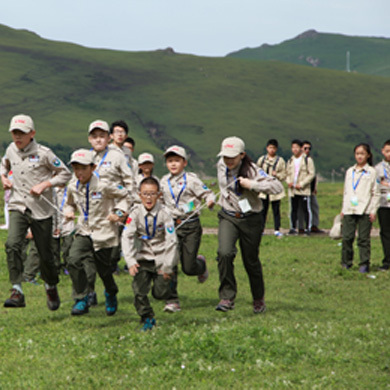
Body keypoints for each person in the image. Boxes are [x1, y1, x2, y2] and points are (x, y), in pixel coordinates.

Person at [1, 114, 71, 309]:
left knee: (45, 254)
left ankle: (50, 285)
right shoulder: (10, 150)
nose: (17, 137)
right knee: (12, 244)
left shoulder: (44, 153)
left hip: (41, 210)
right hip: (18, 205)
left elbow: (65, 173)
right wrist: (3, 177)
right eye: (14, 133)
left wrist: (45, 184)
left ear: (32, 133)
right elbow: (3, 164)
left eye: (21, 133)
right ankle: (17, 290)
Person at [216, 136, 283, 313]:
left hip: (251, 218)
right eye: (225, 156)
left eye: (232, 156)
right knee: (224, 253)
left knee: (250, 260)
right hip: (228, 215)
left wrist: (252, 184)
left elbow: (277, 187)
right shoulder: (221, 166)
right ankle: (227, 297)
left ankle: (258, 299)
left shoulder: (253, 170)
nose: (228, 160)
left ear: (242, 155)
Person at [64, 149, 131, 315]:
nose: (79, 172)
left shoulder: (104, 184)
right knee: (73, 260)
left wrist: (119, 213)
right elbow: (68, 203)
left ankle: (110, 292)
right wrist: (68, 211)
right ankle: (81, 298)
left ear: (93, 167)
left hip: (103, 233)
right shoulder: (72, 185)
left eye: (83, 168)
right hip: (84, 231)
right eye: (75, 168)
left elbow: (126, 195)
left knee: (104, 270)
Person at [160, 145, 215, 312]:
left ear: (184, 162)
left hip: (190, 224)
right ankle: (172, 300)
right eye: (170, 161)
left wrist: (211, 200)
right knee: (170, 262)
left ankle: (200, 264)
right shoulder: (163, 181)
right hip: (171, 226)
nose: (173, 164)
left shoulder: (192, 180)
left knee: (188, 267)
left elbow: (207, 193)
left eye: (176, 160)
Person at [122, 177, 178, 331]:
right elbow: (126, 237)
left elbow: (172, 241)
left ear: (159, 195)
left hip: (161, 257)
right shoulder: (134, 213)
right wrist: (130, 261)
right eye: (145, 194)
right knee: (139, 291)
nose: (148, 197)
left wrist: (167, 267)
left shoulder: (165, 213)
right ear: (139, 195)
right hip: (143, 257)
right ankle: (147, 318)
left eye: (152, 194)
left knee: (160, 294)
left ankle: (170, 279)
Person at [88, 120, 134, 303]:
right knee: (87, 255)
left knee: (108, 260)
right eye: (94, 136)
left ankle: (109, 289)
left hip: (114, 215)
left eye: (102, 136)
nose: (98, 140)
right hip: (92, 215)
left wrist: (122, 211)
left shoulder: (118, 157)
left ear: (108, 138)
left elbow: (130, 184)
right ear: (89, 139)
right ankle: (88, 294)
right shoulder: (85, 158)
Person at [341, 143, 379, 273]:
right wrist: (343, 209)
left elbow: (375, 193)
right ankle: (346, 262)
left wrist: (373, 210)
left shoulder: (372, 172)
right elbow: (346, 191)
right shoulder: (350, 171)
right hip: (350, 208)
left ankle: (364, 263)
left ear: (368, 155)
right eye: (357, 154)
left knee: (363, 239)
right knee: (347, 237)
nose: (359, 156)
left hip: (365, 209)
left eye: (362, 154)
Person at [256, 139, 286, 237]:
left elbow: (284, 174)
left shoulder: (280, 161)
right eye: (270, 148)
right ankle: (261, 229)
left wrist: (277, 174)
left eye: (273, 148)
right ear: (267, 148)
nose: (271, 150)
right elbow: (256, 171)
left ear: (276, 149)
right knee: (262, 210)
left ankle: (277, 229)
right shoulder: (262, 160)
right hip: (263, 189)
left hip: (274, 189)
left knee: (276, 210)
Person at [285, 139, 315, 235]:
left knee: (306, 209)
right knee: (293, 209)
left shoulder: (307, 160)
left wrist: (302, 184)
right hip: (292, 189)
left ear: (300, 148)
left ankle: (307, 228)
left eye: (297, 147)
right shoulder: (290, 160)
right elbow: (286, 174)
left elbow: (311, 174)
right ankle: (293, 228)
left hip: (303, 189)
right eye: (293, 147)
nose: (295, 149)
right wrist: (288, 182)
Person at [298, 141, 323, 233]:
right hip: (302, 188)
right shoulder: (299, 160)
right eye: (305, 148)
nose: (307, 150)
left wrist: (314, 187)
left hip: (310, 188)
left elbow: (313, 175)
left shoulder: (309, 159)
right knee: (301, 208)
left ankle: (314, 225)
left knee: (314, 206)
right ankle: (301, 226)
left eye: (309, 148)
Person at [375, 140, 390, 271]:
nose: (389, 154)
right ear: (382, 151)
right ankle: (387, 260)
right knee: (385, 233)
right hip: (384, 203)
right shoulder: (378, 168)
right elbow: (375, 184)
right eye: (387, 151)